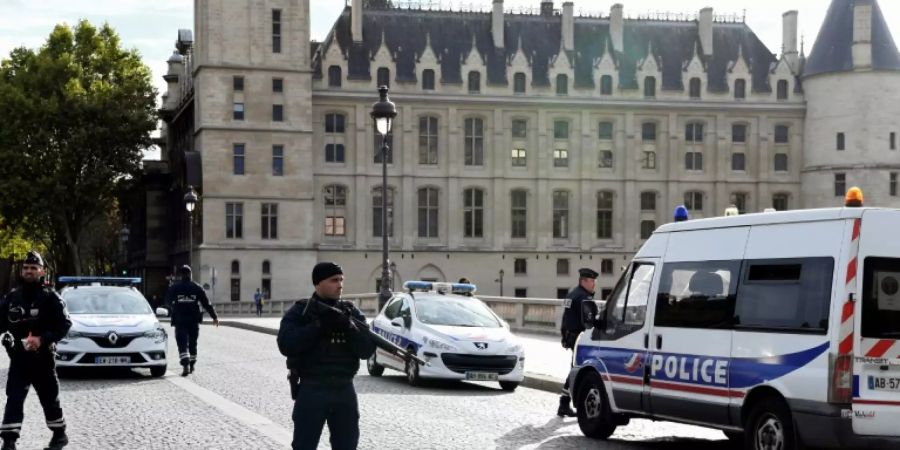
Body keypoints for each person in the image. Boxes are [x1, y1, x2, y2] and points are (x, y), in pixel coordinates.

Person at [277, 262, 376, 450]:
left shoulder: (351, 312)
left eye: (341, 280)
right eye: (334, 280)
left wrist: (349, 327)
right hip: (312, 388)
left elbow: (366, 350)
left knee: (347, 445)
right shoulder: (301, 311)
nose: (340, 285)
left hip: (344, 389)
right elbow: (286, 344)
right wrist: (319, 326)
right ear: (318, 284)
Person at [0, 251, 72, 450]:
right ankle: (8, 441)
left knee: (50, 399)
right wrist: (6, 336)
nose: (29, 271)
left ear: (42, 271)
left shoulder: (51, 298)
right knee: (14, 398)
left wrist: (42, 339)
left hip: (43, 359)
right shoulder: (12, 298)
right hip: (19, 359)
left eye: (33, 268)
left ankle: (59, 435)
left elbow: (65, 324)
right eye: (26, 268)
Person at [557, 267, 598, 418]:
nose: (594, 284)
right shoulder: (584, 298)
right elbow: (589, 322)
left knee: (575, 368)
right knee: (578, 369)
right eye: (592, 281)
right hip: (580, 338)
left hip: (570, 336)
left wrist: (564, 336)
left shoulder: (571, 294)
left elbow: (564, 318)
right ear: (584, 281)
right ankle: (565, 403)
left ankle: (564, 402)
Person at [164, 265, 219, 377]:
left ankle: (185, 365)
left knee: (182, 342)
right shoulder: (197, 287)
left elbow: (167, 301)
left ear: (180, 275)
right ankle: (192, 364)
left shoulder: (174, 287)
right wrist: (214, 317)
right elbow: (206, 303)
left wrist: (175, 305)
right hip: (194, 319)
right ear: (190, 274)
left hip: (180, 319)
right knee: (193, 342)